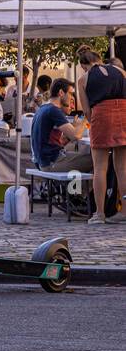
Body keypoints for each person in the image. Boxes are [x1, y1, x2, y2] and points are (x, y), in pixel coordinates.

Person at [75, 45, 126, 225]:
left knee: (100, 168)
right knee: (122, 168)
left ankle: (100, 214)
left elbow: (86, 111)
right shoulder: (120, 71)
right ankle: (124, 210)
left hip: (102, 115)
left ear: (83, 65)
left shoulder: (83, 79)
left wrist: (94, 122)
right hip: (124, 113)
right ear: (99, 59)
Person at [31, 78, 91, 173]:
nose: (72, 98)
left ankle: (75, 187)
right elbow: (76, 136)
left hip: (42, 162)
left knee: (87, 158)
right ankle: (89, 188)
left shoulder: (43, 109)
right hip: (52, 162)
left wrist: (73, 129)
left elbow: (57, 141)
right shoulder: (54, 110)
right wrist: (86, 118)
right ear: (61, 92)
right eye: (71, 94)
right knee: (98, 161)